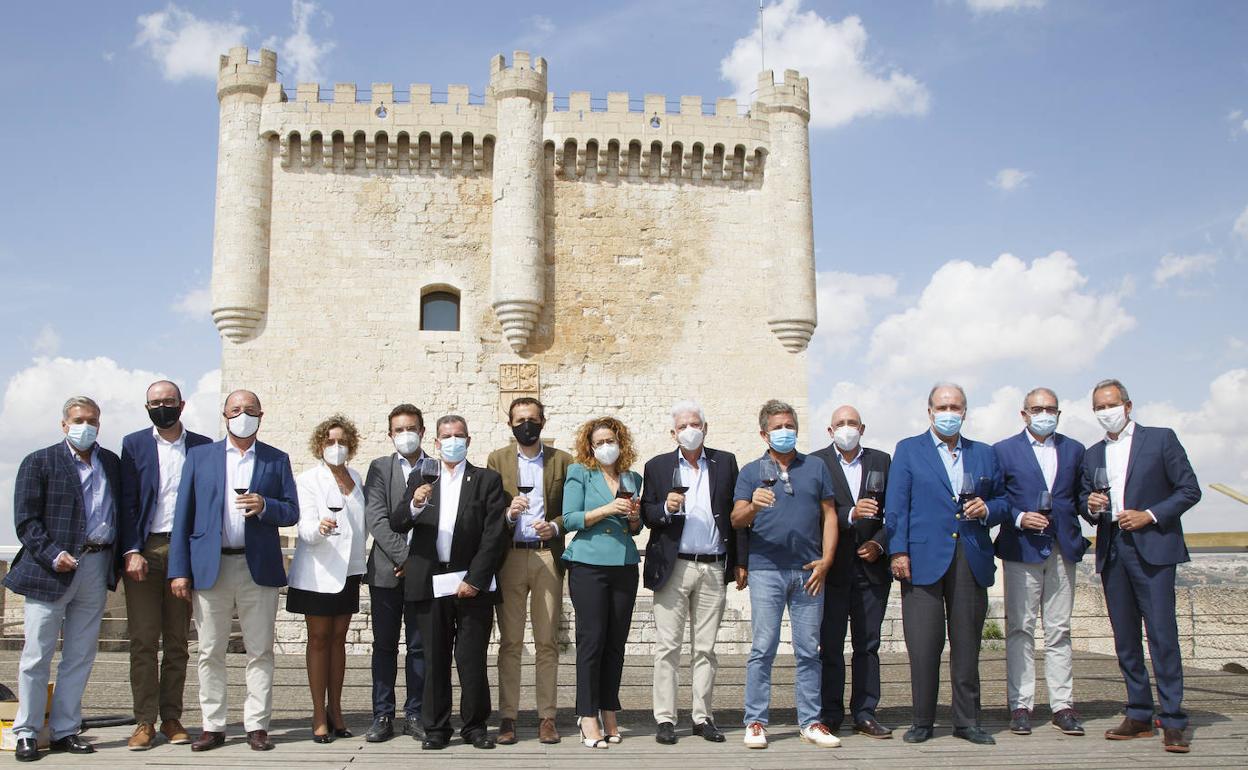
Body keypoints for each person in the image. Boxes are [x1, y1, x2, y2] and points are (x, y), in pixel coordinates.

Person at [168, 389, 299, 752]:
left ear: (261, 415)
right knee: (210, 650)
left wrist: (265, 505)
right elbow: (183, 517)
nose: (243, 415)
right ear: (224, 415)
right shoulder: (200, 457)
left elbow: (291, 511)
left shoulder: (276, 459)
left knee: (260, 650)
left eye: (250, 410)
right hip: (211, 568)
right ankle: (213, 726)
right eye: (236, 409)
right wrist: (179, 570)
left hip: (257, 566)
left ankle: (257, 725)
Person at [1080, 379, 1200, 754]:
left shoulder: (1161, 439)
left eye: (1111, 404)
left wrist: (1149, 515)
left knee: (1162, 635)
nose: (1106, 412)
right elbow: (1086, 499)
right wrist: (1092, 505)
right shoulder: (1092, 454)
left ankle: (1173, 719)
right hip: (1113, 549)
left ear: (1128, 406)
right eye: (1099, 407)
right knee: (1126, 639)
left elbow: (1189, 489)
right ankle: (1138, 713)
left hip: (1153, 549)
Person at [886, 382, 1008, 746]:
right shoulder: (909, 450)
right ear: (929, 411)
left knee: (968, 644)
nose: (949, 413)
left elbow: (1004, 500)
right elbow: (897, 506)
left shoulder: (984, 453)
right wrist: (898, 551)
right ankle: (922, 720)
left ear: (965, 412)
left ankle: (967, 721)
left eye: (955, 406)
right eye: (942, 406)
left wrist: (989, 509)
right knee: (924, 645)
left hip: (971, 555)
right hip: (920, 558)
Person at [6, 396, 120, 762]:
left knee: (80, 654)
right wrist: (53, 553)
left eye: (92, 420)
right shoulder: (39, 461)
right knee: (37, 654)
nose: (85, 426)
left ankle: (65, 729)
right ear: (63, 423)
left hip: (96, 565)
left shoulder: (111, 464)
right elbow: (26, 520)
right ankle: (26, 730)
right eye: (78, 419)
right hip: (49, 569)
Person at [389, 414, 509, 751]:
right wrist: (415, 502)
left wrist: (476, 579)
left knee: (471, 658)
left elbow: (494, 535)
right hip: (430, 580)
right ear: (437, 443)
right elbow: (398, 521)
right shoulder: (422, 475)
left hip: (470, 581)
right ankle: (437, 728)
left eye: (459, 435)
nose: (452, 441)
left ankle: (474, 726)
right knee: (434, 656)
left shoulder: (486, 480)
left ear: (468, 441)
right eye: (446, 436)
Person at [731, 399, 840, 750]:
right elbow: (736, 520)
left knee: (809, 649)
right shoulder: (750, 471)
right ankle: (756, 721)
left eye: (789, 425)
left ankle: (810, 721)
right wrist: (752, 506)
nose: (784, 432)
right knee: (763, 647)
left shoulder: (817, 467)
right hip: (766, 570)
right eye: (777, 427)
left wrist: (826, 561)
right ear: (764, 434)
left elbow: (830, 516)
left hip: (809, 572)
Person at [641, 400, 742, 745]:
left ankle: (703, 717)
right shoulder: (657, 466)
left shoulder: (726, 462)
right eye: (682, 426)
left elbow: (734, 514)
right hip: (675, 565)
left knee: (706, 648)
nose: (689, 430)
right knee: (667, 647)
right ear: (673, 433)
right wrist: (664, 509)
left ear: (705, 428)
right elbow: (646, 513)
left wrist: (739, 561)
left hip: (713, 565)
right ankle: (666, 719)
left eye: (695, 424)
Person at [118, 380, 211, 750]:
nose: (162, 407)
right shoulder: (134, 444)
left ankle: (171, 717)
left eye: (168, 401)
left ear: (182, 405)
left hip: (184, 549)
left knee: (177, 640)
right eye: (155, 402)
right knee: (142, 639)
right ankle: (144, 720)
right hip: (145, 549)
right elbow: (126, 502)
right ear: (147, 407)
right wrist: (130, 550)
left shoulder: (203, 447)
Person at [993, 388, 1089, 737]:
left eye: (1050, 409)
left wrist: (1092, 504)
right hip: (1021, 549)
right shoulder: (1003, 451)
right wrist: (1019, 517)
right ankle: (1020, 705)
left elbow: (1080, 496)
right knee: (1020, 627)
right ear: (1024, 413)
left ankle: (1062, 705)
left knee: (1059, 629)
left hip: (1063, 548)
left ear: (1059, 413)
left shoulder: (1075, 450)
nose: (1043, 414)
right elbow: (997, 499)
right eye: (1037, 408)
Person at [488, 397, 573, 746]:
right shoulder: (498, 460)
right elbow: (490, 509)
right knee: (509, 641)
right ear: (510, 424)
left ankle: (547, 717)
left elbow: (570, 510)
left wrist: (554, 527)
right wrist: (509, 514)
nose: (527, 424)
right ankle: (508, 717)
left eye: (532, 419)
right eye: (520, 419)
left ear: (543, 421)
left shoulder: (562, 461)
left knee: (546, 642)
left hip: (546, 557)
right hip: (510, 555)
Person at [811, 404, 893, 739]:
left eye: (852, 423)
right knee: (830, 645)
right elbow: (811, 512)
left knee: (867, 645)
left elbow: (897, 510)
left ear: (863, 428)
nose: (847, 428)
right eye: (840, 424)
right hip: (832, 569)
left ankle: (865, 711)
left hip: (872, 569)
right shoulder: (816, 463)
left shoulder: (882, 461)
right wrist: (849, 514)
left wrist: (880, 543)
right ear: (830, 431)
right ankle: (830, 713)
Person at [562, 416, 644, 750]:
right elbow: (570, 518)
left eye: (611, 440)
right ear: (590, 447)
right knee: (592, 641)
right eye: (599, 442)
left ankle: (609, 710)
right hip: (588, 564)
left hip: (624, 564)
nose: (606, 447)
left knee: (616, 644)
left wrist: (635, 517)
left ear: (621, 443)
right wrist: (608, 508)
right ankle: (586, 715)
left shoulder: (633, 477)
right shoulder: (580, 473)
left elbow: (636, 528)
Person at [287, 415, 368, 743]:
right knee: (319, 639)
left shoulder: (357, 477)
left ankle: (336, 709)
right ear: (320, 445)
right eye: (330, 442)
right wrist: (319, 529)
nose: (336, 447)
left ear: (351, 446)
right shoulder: (308, 479)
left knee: (339, 640)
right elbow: (303, 527)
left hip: (348, 570)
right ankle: (318, 713)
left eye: (342, 442)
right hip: (318, 572)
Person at [361, 404, 427, 742]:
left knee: (419, 647)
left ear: (423, 431)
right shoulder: (379, 468)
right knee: (384, 646)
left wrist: (418, 563)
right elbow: (376, 518)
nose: (405, 435)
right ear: (390, 434)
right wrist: (405, 557)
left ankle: (415, 713)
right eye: (398, 430)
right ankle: (382, 714)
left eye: (411, 428)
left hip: (424, 574)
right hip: (387, 572)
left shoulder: (437, 468)